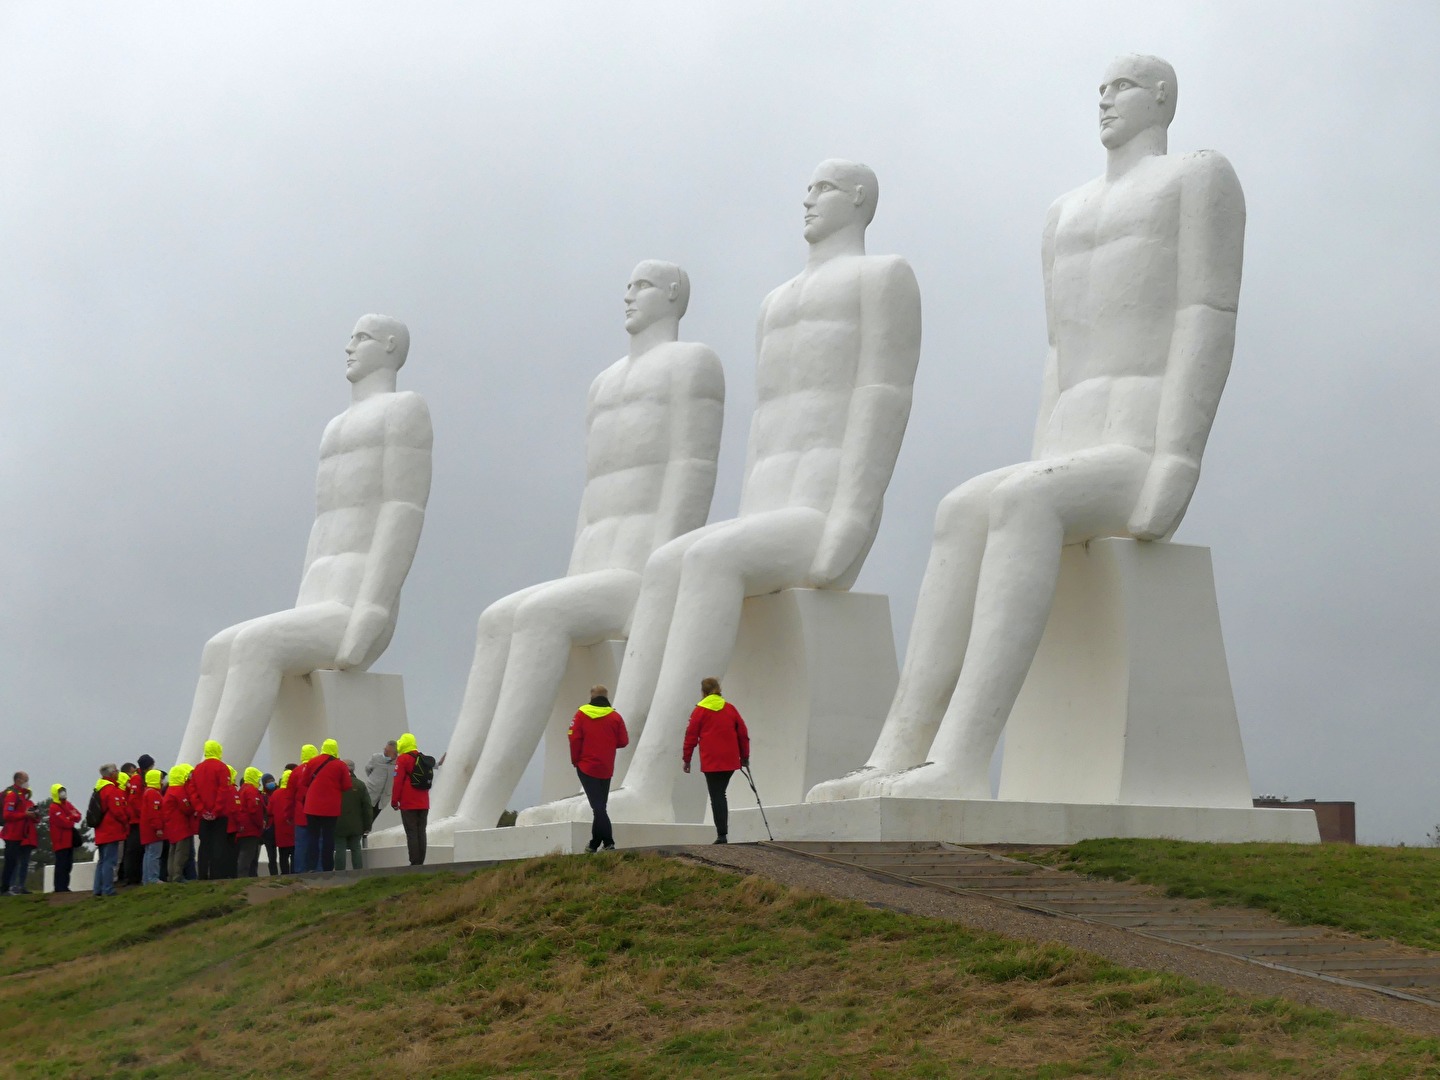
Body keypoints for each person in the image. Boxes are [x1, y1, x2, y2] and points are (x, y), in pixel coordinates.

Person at [810, 56, 1247, 804]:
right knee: (960, 509)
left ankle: (961, 759)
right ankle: (898, 751)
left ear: (1164, 98)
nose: (1106, 97)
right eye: (1102, 87)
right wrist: (1042, 456)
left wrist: (1178, 457)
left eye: (1126, 86)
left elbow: (1206, 314)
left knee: (1021, 504)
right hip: (1072, 444)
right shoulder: (1064, 212)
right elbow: (1058, 350)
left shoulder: (1198, 177)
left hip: (1135, 441)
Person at [520, 161, 921, 828]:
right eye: (808, 187)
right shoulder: (776, 303)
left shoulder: (883, 278)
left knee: (703, 561)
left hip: (818, 511)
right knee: (668, 561)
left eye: (824, 188)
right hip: (769, 507)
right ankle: (621, 770)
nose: (809, 197)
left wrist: (853, 514)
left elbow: (884, 394)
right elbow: (766, 423)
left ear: (859, 199)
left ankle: (650, 780)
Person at [416, 263, 724, 844]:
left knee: (537, 616)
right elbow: (592, 494)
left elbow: (692, 470)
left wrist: (658, 582)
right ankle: (447, 805)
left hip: (637, 569)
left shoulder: (692, 363)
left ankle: (481, 807)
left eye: (644, 285)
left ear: (675, 296)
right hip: (594, 563)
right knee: (496, 619)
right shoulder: (603, 385)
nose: (628, 294)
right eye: (627, 285)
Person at [176, 315, 433, 771]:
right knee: (218, 649)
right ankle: (178, 784)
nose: (349, 346)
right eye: (350, 337)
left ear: (391, 346)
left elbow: (402, 510)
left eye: (363, 337)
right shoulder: (334, 428)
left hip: (355, 603)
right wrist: (298, 610)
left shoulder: (404, 409)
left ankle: (211, 790)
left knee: (256, 644)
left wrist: (371, 610)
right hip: (318, 600)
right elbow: (323, 523)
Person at [682, 678, 750, 844]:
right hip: (730, 761)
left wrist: (687, 759)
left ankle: (722, 835)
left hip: (711, 761)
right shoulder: (730, 709)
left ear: (703, 692)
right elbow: (743, 733)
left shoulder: (699, 711)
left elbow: (690, 736)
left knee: (717, 795)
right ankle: (722, 833)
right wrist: (745, 757)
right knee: (721, 793)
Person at [567, 685, 629, 853]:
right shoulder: (615, 717)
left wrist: (575, 760)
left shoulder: (580, 715)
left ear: (591, 696)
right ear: (607, 697)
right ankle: (594, 843)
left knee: (598, 807)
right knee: (600, 806)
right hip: (606, 767)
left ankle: (608, 842)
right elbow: (623, 741)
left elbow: (574, 738)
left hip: (586, 766)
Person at [302, 739, 350, 872]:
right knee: (328, 838)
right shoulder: (340, 765)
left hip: (312, 806)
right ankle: (328, 867)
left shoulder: (312, 762)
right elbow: (347, 785)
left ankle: (311, 867)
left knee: (313, 837)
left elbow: (304, 781)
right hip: (331, 807)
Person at [189, 741, 232, 880]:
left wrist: (202, 810)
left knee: (204, 845)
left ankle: (202, 874)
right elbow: (223, 790)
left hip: (203, 815)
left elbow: (193, 791)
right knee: (218, 845)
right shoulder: (222, 768)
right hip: (219, 815)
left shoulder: (198, 769)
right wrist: (216, 810)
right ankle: (216, 875)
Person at [391, 732, 430, 866]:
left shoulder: (403, 759)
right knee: (421, 831)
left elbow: (397, 782)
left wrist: (394, 801)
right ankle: (421, 860)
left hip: (408, 803)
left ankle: (415, 862)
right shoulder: (422, 758)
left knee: (412, 832)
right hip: (424, 802)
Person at [92, 765, 130, 898]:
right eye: (116, 771)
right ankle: (108, 889)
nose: (118, 773)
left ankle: (97, 888)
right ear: (111, 774)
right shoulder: (110, 790)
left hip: (101, 831)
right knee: (110, 861)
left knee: (102, 861)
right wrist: (126, 820)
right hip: (111, 830)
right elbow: (118, 810)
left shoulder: (98, 788)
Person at [2, 772, 39, 895]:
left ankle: (9, 888)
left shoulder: (23, 798)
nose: (27, 782)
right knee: (11, 862)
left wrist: (33, 814)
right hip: (11, 835)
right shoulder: (13, 795)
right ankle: (6, 888)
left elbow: (36, 818)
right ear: (18, 780)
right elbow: (7, 814)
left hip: (20, 835)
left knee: (15, 862)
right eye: (25, 780)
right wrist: (25, 814)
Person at [121, 755, 154, 886]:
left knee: (139, 850)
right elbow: (134, 800)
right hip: (136, 821)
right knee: (134, 850)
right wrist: (143, 814)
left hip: (139, 819)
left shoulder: (140, 778)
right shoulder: (137, 779)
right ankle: (132, 877)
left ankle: (137, 876)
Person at [334, 760, 373, 870]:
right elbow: (367, 807)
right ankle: (358, 872)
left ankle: (339, 874)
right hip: (357, 825)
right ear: (353, 769)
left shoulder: (336, 784)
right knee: (356, 848)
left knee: (340, 848)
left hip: (338, 823)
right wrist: (367, 826)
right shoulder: (360, 785)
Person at [162, 764, 196, 884]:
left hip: (172, 827)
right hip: (181, 827)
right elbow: (187, 808)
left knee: (172, 853)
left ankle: (171, 876)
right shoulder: (179, 791)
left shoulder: (170, 790)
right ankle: (177, 876)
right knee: (182, 853)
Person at [47, 784, 82, 893]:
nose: (63, 793)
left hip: (69, 840)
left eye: (63, 791)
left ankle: (65, 886)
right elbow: (65, 823)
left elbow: (78, 815)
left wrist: (69, 817)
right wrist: (71, 816)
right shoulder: (54, 807)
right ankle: (59, 887)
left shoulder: (67, 804)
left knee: (68, 865)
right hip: (60, 841)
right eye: (60, 791)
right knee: (61, 865)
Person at [289, 744, 319, 873]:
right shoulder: (320, 770)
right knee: (318, 844)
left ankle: (300, 872)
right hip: (317, 814)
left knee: (301, 846)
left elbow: (289, 796)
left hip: (300, 815)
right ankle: (319, 870)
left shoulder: (295, 772)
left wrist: (289, 815)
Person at [234, 768, 266, 877]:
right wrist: (261, 824)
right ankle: (243, 876)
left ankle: (242, 875)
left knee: (243, 853)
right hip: (250, 828)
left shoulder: (242, 789)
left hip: (242, 827)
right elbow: (255, 810)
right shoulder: (252, 791)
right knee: (248, 854)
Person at [137, 770, 165, 885]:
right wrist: (158, 827)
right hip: (153, 830)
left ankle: (147, 879)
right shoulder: (154, 794)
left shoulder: (147, 792)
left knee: (148, 854)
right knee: (154, 854)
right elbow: (155, 812)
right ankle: (153, 878)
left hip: (147, 829)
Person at [364, 741, 396, 823]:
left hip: (383, 798)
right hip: (370, 793)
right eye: (385, 749)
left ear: (395, 754)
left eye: (388, 752)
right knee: (364, 817)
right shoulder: (376, 758)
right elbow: (368, 769)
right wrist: (374, 781)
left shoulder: (398, 763)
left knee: (371, 820)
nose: (385, 752)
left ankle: (365, 834)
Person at [271, 768, 296, 874]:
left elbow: (269, 810)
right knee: (295, 855)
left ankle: (284, 874)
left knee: (283, 855)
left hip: (280, 830)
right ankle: (295, 874)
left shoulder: (275, 794)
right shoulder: (295, 793)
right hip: (294, 829)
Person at [260, 773, 279, 876]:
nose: (271, 783)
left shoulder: (278, 792)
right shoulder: (263, 796)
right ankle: (274, 874)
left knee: (283, 853)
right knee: (271, 855)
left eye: (272, 780)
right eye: (268, 781)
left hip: (279, 827)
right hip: (268, 829)